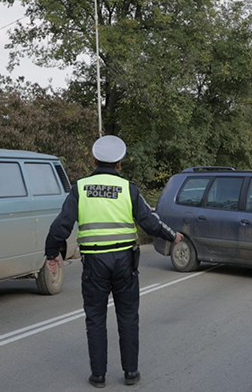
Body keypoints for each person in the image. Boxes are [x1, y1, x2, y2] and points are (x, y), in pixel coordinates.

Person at [44, 135, 184, 389]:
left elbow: (61, 225)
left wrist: (51, 252)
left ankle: (98, 376)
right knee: (128, 316)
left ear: (95, 160)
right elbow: (150, 221)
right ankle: (131, 373)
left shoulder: (81, 188)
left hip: (94, 264)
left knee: (95, 318)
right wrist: (173, 235)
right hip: (124, 262)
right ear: (119, 163)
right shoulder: (129, 189)